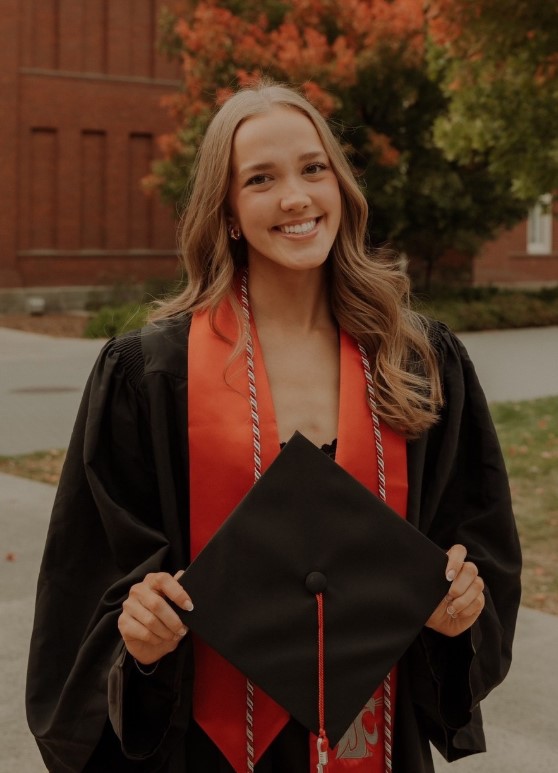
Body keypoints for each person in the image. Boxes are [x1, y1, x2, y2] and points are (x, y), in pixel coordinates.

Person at [26, 81, 521, 773]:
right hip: (206, 748)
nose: (296, 197)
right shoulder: (151, 376)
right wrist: (137, 636)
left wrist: (457, 614)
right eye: (261, 178)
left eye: (313, 168)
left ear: (340, 187)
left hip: (372, 742)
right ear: (227, 212)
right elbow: (89, 587)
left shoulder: (417, 362)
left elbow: (477, 553)